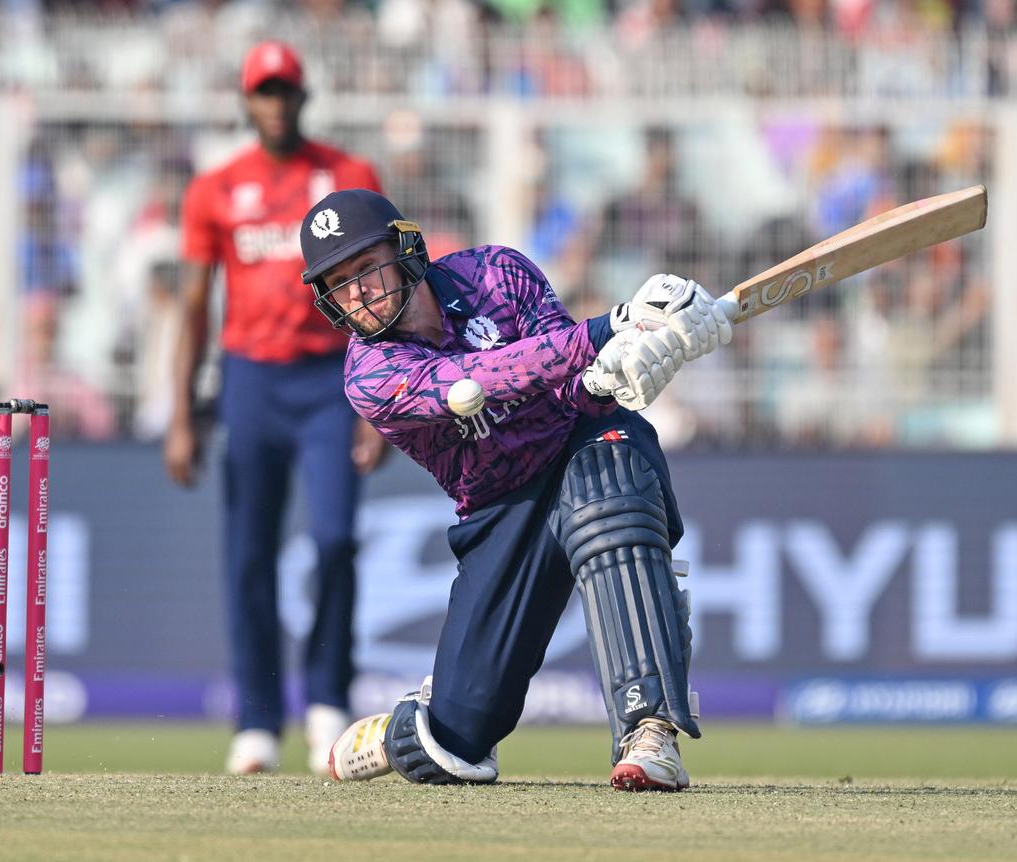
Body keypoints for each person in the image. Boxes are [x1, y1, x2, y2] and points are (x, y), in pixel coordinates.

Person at [297, 189, 732, 791]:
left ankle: (648, 730)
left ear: (404, 250)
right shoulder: (369, 373)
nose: (357, 293)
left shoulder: (496, 274)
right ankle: (409, 726)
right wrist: (614, 326)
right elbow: (478, 376)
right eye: (338, 283)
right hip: (501, 507)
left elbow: (570, 386)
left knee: (609, 498)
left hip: (579, 440)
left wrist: (617, 368)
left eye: (366, 267)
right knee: (453, 745)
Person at [164, 42, 389, 775]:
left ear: (303, 95)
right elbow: (194, 307)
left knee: (335, 540)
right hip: (251, 381)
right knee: (249, 554)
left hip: (331, 380)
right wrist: (180, 416)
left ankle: (327, 699)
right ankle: (257, 719)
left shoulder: (347, 176)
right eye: (263, 91)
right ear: (246, 101)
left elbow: (384, 291)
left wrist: (379, 405)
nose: (275, 104)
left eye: (285, 90)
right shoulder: (216, 188)